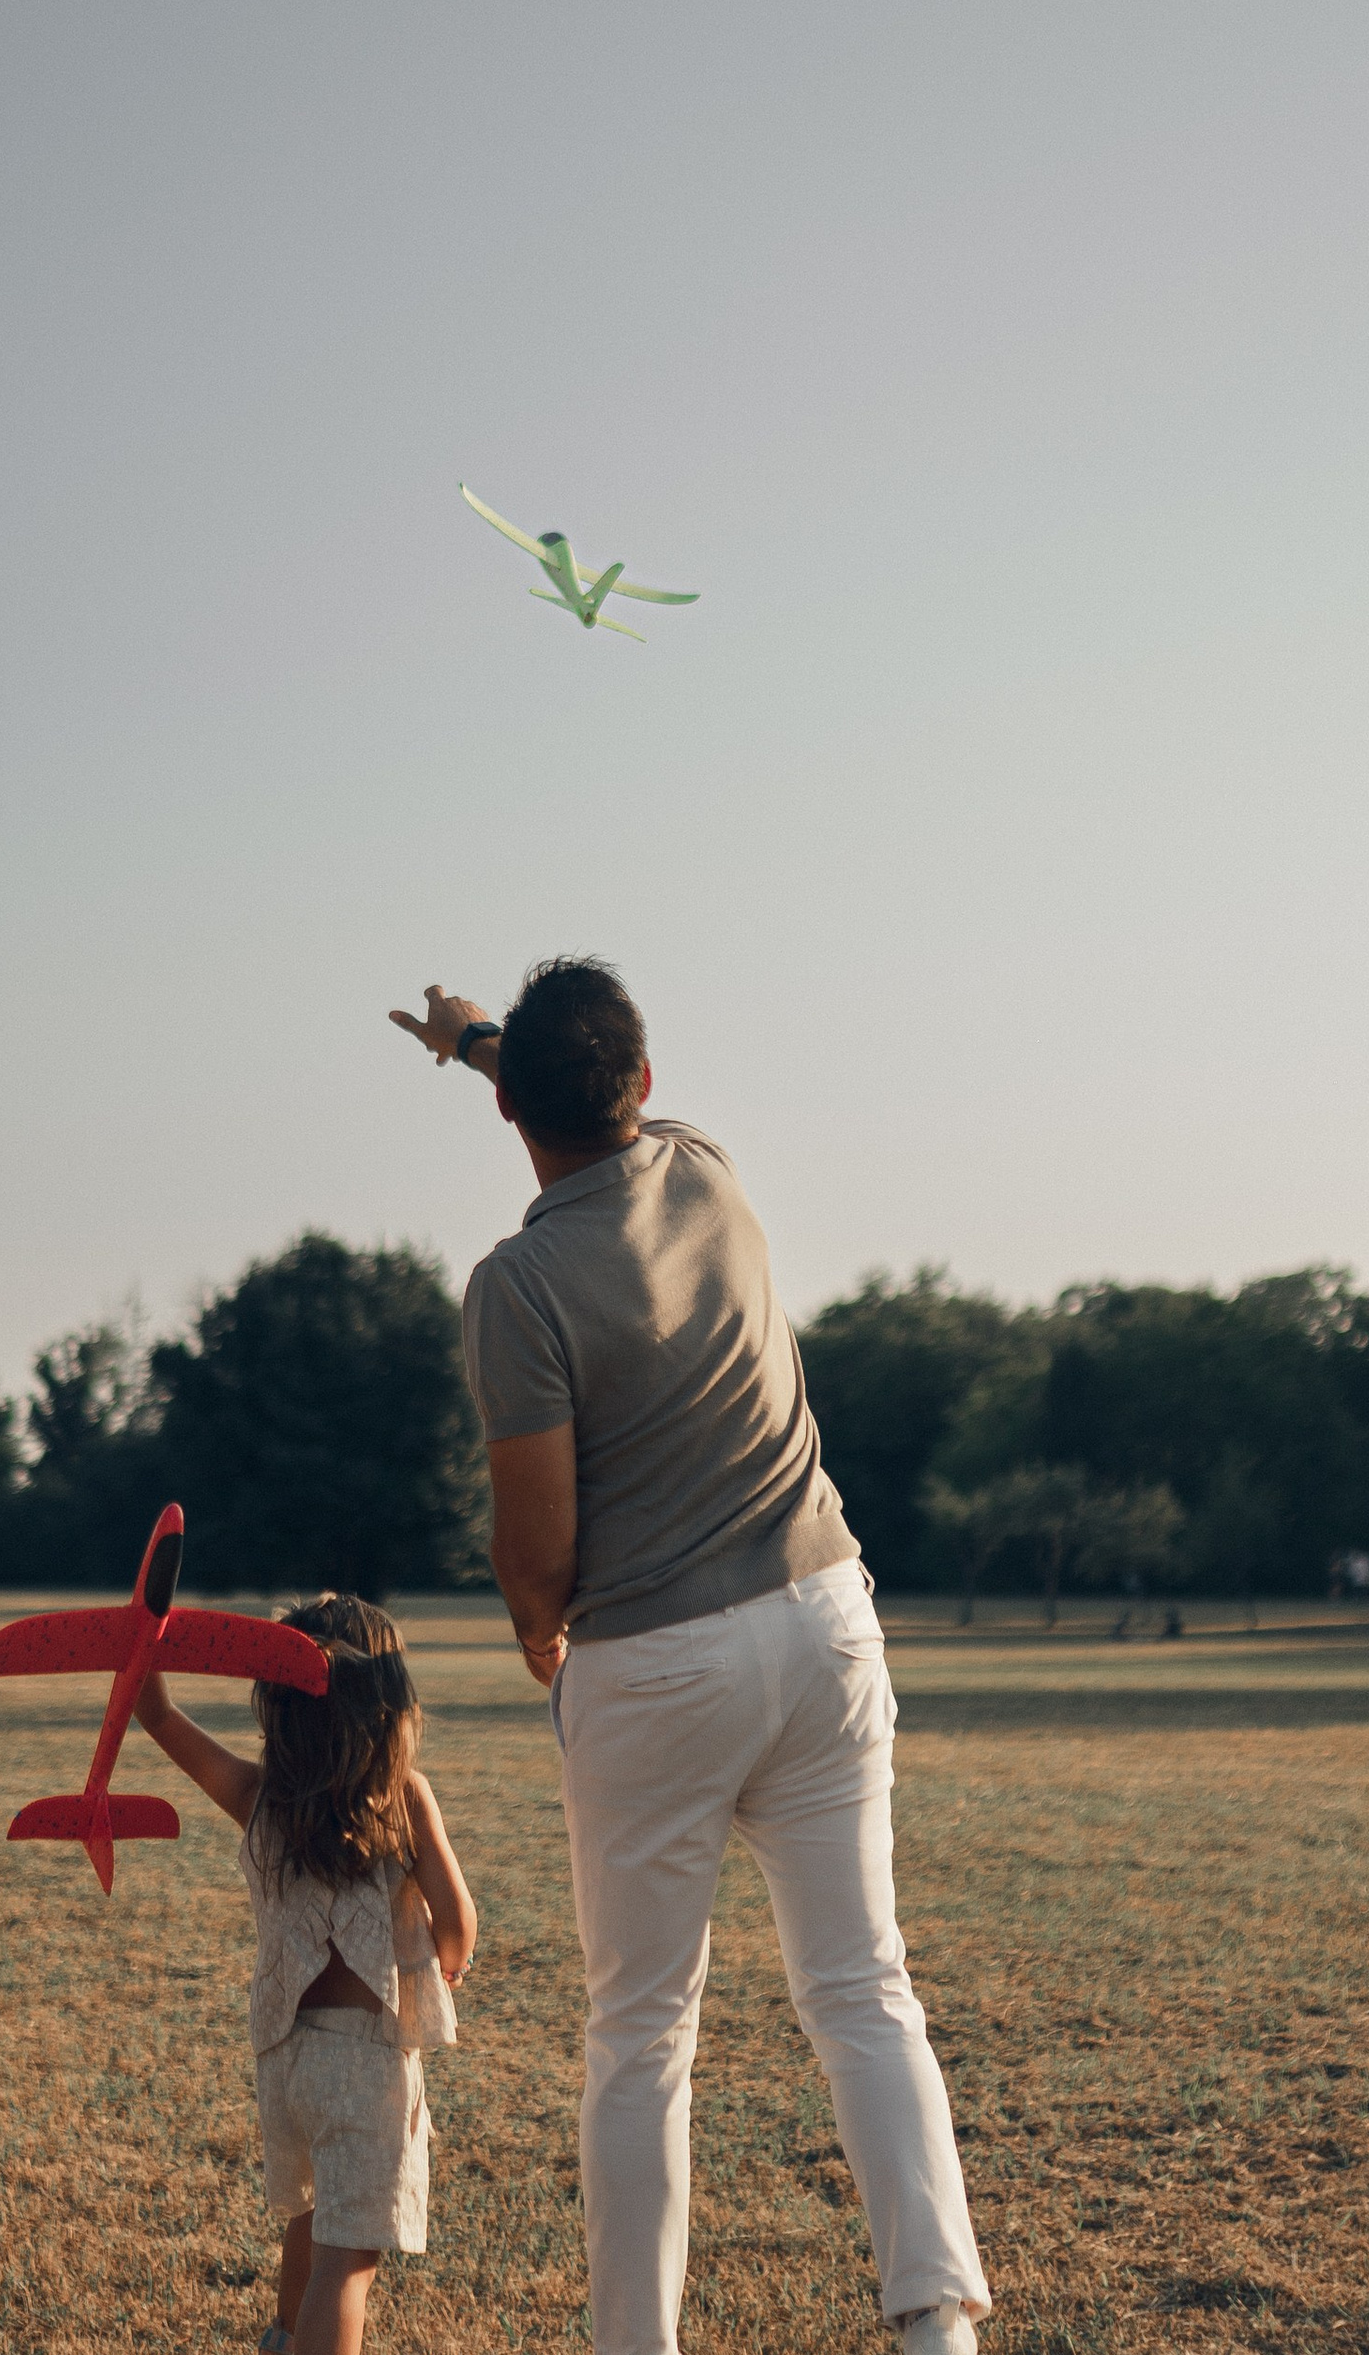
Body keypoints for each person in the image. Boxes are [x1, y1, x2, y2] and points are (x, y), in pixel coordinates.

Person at [391, 958, 991, 2355]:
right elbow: (565, 1085)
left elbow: (534, 1539)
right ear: (643, 1086)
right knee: (861, 1990)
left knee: (641, 2032)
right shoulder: (706, 1168)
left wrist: (539, 1630)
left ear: (511, 1114)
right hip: (823, 1615)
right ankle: (934, 2325)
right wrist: (477, 1039)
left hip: (653, 1659)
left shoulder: (517, 1285)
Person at [137, 1594, 477, 2355]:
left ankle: (284, 2342)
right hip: (366, 2065)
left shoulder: (260, 1799)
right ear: (388, 1707)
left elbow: (157, 1718)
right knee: (349, 2261)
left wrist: (145, 1648)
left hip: (285, 2059)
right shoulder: (402, 1798)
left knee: (311, 2218)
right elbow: (457, 1924)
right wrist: (447, 1959)